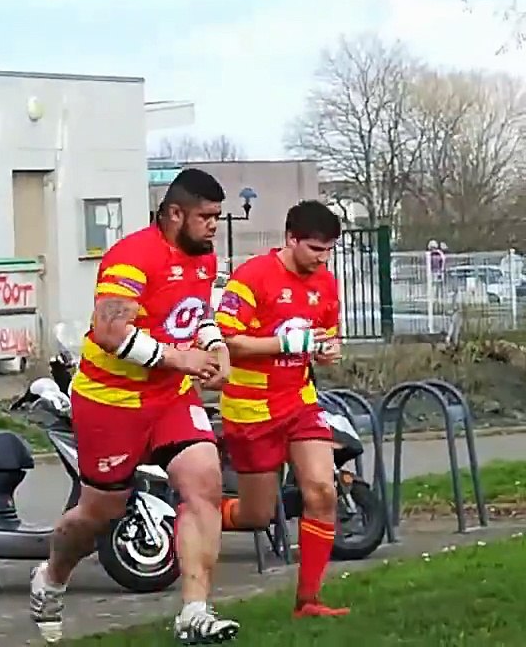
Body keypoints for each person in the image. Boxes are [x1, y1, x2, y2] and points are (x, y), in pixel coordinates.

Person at [28, 167, 238, 645]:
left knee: (204, 481)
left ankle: (195, 611)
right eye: (206, 217)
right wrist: (178, 357)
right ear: (174, 214)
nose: (213, 227)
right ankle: (52, 577)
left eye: (217, 218)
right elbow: (109, 331)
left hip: (169, 396)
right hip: (111, 401)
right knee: (98, 511)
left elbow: (196, 314)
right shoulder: (132, 256)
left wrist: (216, 347)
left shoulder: (203, 257)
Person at [215, 200, 347, 618]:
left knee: (322, 491)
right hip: (250, 409)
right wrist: (286, 345)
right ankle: (195, 514)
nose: (322, 259)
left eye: (328, 251)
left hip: (300, 402)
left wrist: (328, 351)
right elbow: (228, 341)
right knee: (256, 514)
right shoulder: (253, 276)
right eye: (314, 249)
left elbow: (326, 336)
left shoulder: (326, 282)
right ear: (290, 239)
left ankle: (307, 600)